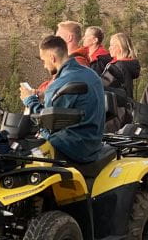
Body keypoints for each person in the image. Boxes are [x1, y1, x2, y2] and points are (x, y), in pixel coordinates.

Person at [20, 35, 105, 164]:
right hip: (92, 143)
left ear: (52, 58)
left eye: (43, 61)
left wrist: (29, 100)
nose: (44, 66)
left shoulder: (60, 84)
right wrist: (44, 95)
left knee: (24, 159)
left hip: (72, 147)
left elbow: (46, 122)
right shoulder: (91, 74)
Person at [101, 32, 141, 101]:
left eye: (112, 45)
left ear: (120, 47)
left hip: (115, 107)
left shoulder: (117, 67)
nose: (109, 48)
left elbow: (102, 85)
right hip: (126, 106)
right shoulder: (127, 65)